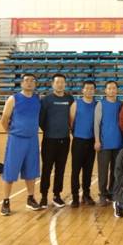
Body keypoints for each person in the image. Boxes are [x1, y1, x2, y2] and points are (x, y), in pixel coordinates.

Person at [0, 73, 41, 215]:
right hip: (16, 139)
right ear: (22, 83)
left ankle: (30, 198)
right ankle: (6, 201)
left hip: (32, 139)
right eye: (26, 80)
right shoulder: (13, 99)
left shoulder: (37, 99)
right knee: (10, 170)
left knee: (31, 170)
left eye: (32, 81)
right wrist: (10, 132)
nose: (29, 83)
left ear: (35, 84)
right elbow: (4, 119)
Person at [39, 73, 74, 208]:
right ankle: (43, 196)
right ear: (53, 84)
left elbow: (72, 117)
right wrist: (50, 131)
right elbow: (41, 120)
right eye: (57, 82)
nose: (60, 84)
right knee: (46, 169)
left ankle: (57, 195)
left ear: (65, 84)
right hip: (49, 140)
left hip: (64, 140)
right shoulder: (46, 100)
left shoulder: (69, 99)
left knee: (60, 169)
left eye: (62, 82)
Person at [94, 80, 123, 206]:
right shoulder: (101, 104)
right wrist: (97, 140)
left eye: (114, 88)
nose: (112, 90)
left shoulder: (121, 104)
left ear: (117, 90)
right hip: (104, 144)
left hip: (118, 144)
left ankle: (112, 192)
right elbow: (96, 124)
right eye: (109, 88)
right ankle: (102, 193)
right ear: (105, 90)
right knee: (103, 171)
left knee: (116, 170)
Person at [69, 80, 97, 207]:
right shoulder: (76, 104)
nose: (89, 90)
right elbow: (71, 122)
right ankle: (75, 196)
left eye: (92, 88)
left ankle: (86, 194)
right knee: (76, 171)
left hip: (91, 141)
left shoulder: (97, 105)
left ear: (94, 91)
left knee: (88, 170)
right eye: (87, 88)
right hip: (78, 141)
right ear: (83, 90)